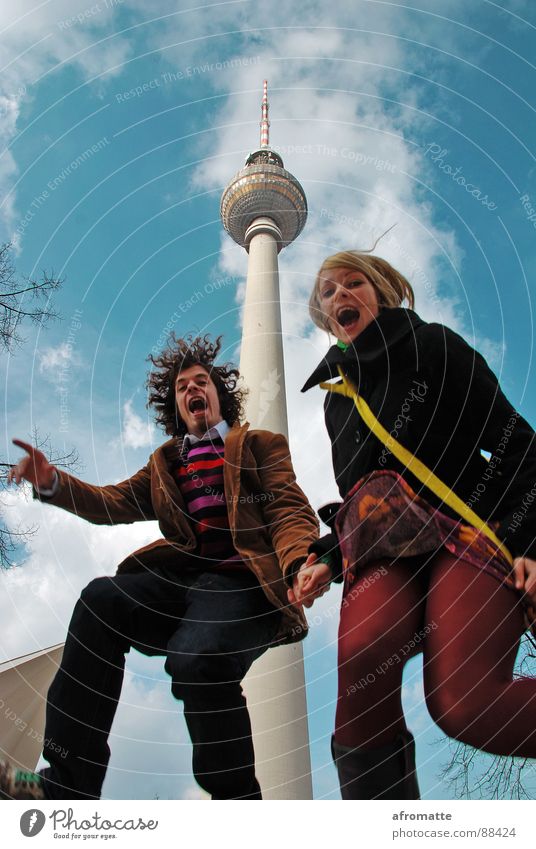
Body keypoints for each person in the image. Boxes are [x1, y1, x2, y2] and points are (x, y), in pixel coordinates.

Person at [0, 334, 318, 801]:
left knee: (196, 659)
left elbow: (288, 510)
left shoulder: (258, 446)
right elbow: (110, 503)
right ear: (176, 404)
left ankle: (238, 803)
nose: (193, 389)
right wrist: (52, 483)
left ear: (217, 393)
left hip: (243, 586)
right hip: (184, 585)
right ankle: (67, 784)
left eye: (202, 381)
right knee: (99, 601)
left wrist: (297, 564)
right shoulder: (166, 464)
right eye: (182, 385)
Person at [289, 250, 536, 800]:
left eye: (353, 283)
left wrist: (531, 538)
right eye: (328, 292)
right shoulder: (335, 401)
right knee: (362, 652)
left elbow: (516, 444)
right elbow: (364, 497)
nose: (339, 296)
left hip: (466, 532)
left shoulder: (434, 347)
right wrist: (327, 559)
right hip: (386, 552)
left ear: (381, 290)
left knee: (462, 702)